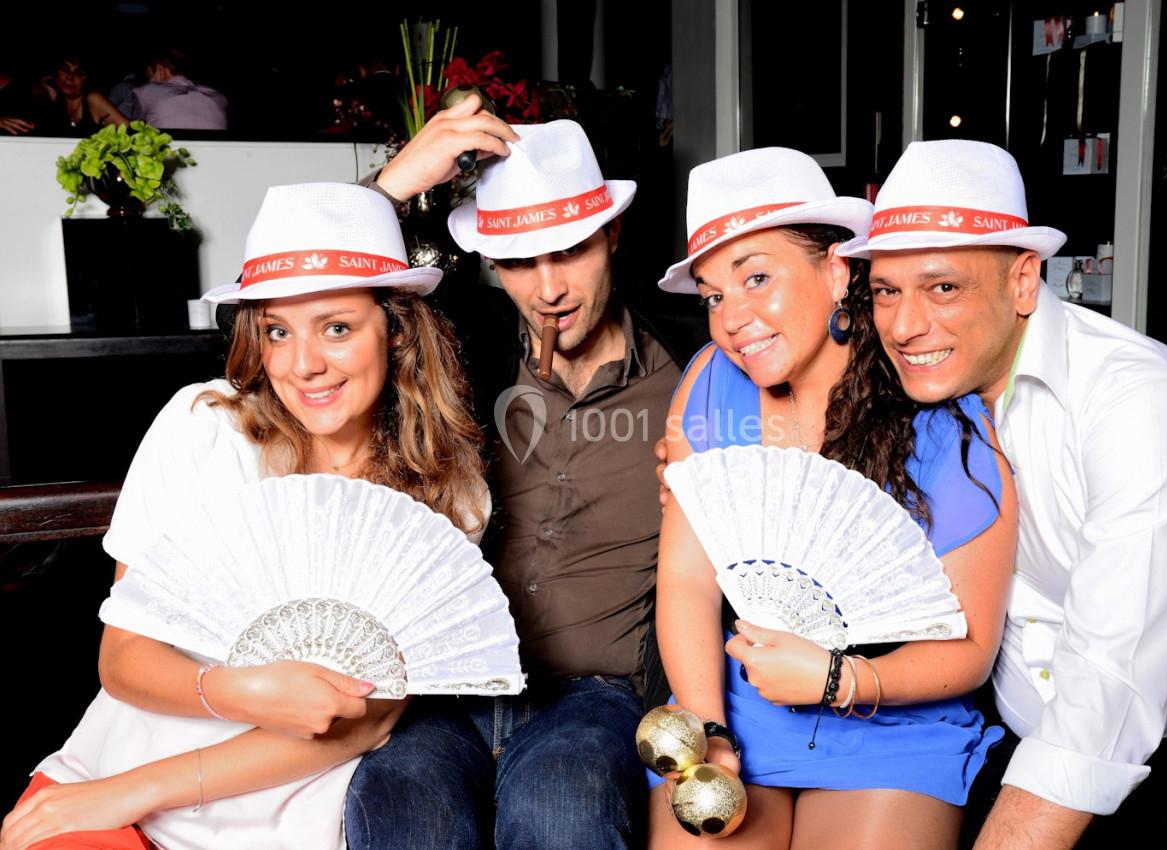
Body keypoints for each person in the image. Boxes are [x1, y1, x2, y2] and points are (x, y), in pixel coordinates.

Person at [0, 182, 488, 850]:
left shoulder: (449, 495)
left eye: (337, 327)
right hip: (110, 788)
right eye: (277, 332)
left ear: (398, 330)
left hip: (281, 824)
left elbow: (370, 724)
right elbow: (123, 657)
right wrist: (233, 692)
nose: (304, 365)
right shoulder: (202, 429)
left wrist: (144, 788)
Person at [839, 139, 1167, 848]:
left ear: (1022, 282)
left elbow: (1110, 687)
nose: (902, 326)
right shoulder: (927, 394)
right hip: (1016, 732)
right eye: (887, 290)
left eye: (942, 287)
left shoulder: (1140, 402)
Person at [343, 107, 693, 849]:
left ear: (612, 236)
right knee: (401, 809)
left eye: (569, 251)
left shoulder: (692, 361)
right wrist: (392, 186)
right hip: (444, 686)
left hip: (593, 693)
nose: (549, 288)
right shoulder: (459, 348)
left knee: (564, 810)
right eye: (519, 262)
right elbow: (300, 322)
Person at [649, 147, 1018, 849]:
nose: (732, 318)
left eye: (757, 277)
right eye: (714, 296)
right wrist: (710, 728)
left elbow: (970, 650)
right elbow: (688, 581)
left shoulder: (941, 419)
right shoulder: (710, 384)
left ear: (836, 268)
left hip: (891, 717)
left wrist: (837, 680)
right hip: (738, 701)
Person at [132, 48, 227, 131]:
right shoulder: (219, 96)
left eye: (150, 77)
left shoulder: (148, 90)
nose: (150, 81)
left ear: (160, 70)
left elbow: (132, 130)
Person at [34, 55, 127, 135]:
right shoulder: (52, 100)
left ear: (88, 78)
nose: (70, 77)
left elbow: (133, 132)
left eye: (79, 73)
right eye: (64, 69)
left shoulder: (93, 99)